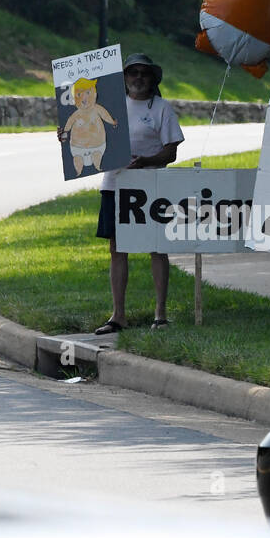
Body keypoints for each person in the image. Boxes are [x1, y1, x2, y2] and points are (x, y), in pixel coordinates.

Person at [59, 52, 184, 334]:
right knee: (117, 249)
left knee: (156, 247)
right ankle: (118, 316)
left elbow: (172, 150)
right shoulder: (107, 107)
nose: (138, 77)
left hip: (150, 187)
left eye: (144, 73)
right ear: (124, 79)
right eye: (133, 72)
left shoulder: (162, 108)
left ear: (152, 79)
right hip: (114, 185)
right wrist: (66, 138)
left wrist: (147, 161)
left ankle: (160, 315)